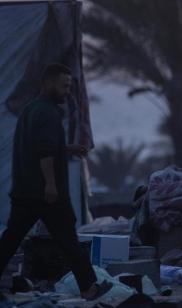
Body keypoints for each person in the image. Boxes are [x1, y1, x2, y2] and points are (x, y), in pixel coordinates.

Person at [0, 64, 112, 300]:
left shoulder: (30, 110)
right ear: (49, 83)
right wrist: (51, 184)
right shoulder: (49, 113)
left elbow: (40, 146)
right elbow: (44, 151)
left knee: (10, 240)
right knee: (69, 240)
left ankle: (88, 286)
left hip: (24, 191)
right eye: (64, 86)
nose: (67, 91)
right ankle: (89, 287)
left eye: (69, 86)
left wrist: (67, 149)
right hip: (47, 193)